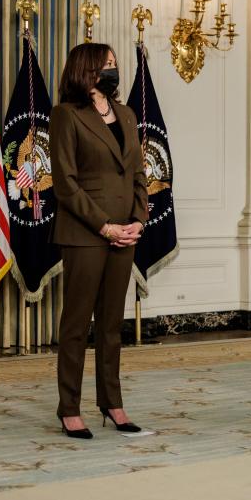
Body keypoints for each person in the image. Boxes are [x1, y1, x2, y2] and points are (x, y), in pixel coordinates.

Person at [51, 43, 148, 438]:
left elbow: (138, 173)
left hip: (126, 235)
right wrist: (105, 226)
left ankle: (112, 403)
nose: (113, 69)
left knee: (111, 325)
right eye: (107, 64)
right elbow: (65, 185)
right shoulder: (66, 115)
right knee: (77, 326)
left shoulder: (125, 114)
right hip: (85, 235)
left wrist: (138, 220)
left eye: (115, 64)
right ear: (87, 69)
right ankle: (69, 408)